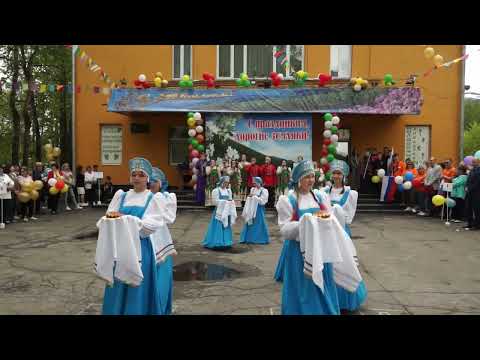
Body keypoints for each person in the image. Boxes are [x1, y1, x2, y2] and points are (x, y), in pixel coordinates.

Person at [101, 157, 173, 315]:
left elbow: (147, 228)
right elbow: (108, 217)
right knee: (118, 286)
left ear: (147, 178)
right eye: (134, 174)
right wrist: (118, 219)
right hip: (120, 249)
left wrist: (121, 218)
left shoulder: (154, 199)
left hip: (142, 250)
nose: (137, 178)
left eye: (141, 175)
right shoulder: (121, 196)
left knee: (137, 290)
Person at [274, 160, 341, 315]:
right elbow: (284, 229)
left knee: (322, 283)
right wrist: (305, 223)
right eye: (307, 177)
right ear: (298, 180)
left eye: (312, 176)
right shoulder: (288, 200)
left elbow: (329, 218)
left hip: (321, 249)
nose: (311, 180)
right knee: (303, 286)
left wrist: (324, 220)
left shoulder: (319, 197)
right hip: (298, 252)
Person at [324, 160, 367, 313]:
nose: (336, 176)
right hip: (327, 231)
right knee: (329, 264)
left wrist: (335, 212)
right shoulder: (324, 192)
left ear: (344, 176)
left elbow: (348, 217)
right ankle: (330, 298)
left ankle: (346, 299)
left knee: (344, 263)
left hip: (341, 232)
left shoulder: (351, 194)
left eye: (339, 173)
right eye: (334, 173)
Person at [149, 167, 178, 315]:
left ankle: (160, 308)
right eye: (151, 180)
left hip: (161, 239)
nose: (152, 183)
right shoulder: (143, 196)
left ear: (161, 183)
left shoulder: (166, 197)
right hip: (146, 240)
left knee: (162, 279)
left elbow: (169, 218)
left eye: (155, 181)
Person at [202, 176, 236, 249]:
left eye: (227, 183)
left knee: (226, 225)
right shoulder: (216, 190)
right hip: (219, 212)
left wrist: (230, 202)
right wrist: (225, 202)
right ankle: (217, 242)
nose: (226, 184)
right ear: (221, 182)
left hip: (226, 212)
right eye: (225, 182)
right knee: (218, 225)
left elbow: (230, 199)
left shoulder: (228, 191)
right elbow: (215, 202)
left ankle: (226, 241)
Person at [239, 177, 270, 245]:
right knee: (250, 222)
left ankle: (259, 238)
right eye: (254, 183)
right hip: (252, 208)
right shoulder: (252, 189)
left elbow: (263, 201)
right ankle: (249, 238)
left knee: (259, 222)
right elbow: (250, 197)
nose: (254, 185)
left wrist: (255, 197)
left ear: (259, 183)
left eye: (255, 183)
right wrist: (250, 197)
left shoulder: (264, 191)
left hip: (259, 209)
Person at [464, 158, 480, 231]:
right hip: (469, 192)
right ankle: (469, 224)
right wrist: (466, 187)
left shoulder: (479, 171)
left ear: (478, 163)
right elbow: (468, 180)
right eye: (472, 162)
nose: (473, 163)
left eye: (474, 162)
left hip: (476, 193)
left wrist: (469, 188)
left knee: (476, 209)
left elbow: (477, 183)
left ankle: (477, 225)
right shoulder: (472, 170)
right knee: (468, 208)